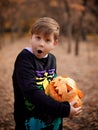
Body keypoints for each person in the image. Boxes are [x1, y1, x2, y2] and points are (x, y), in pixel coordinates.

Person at [12, 17, 82, 130]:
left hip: (52, 122)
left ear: (55, 43)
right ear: (31, 37)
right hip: (30, 122)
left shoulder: (52, 59)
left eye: (47, 40)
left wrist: (70, 100)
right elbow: (31, 92)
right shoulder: (24, 59)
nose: (41, 44)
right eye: (38, 38)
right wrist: (64, 109)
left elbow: (54, 86)